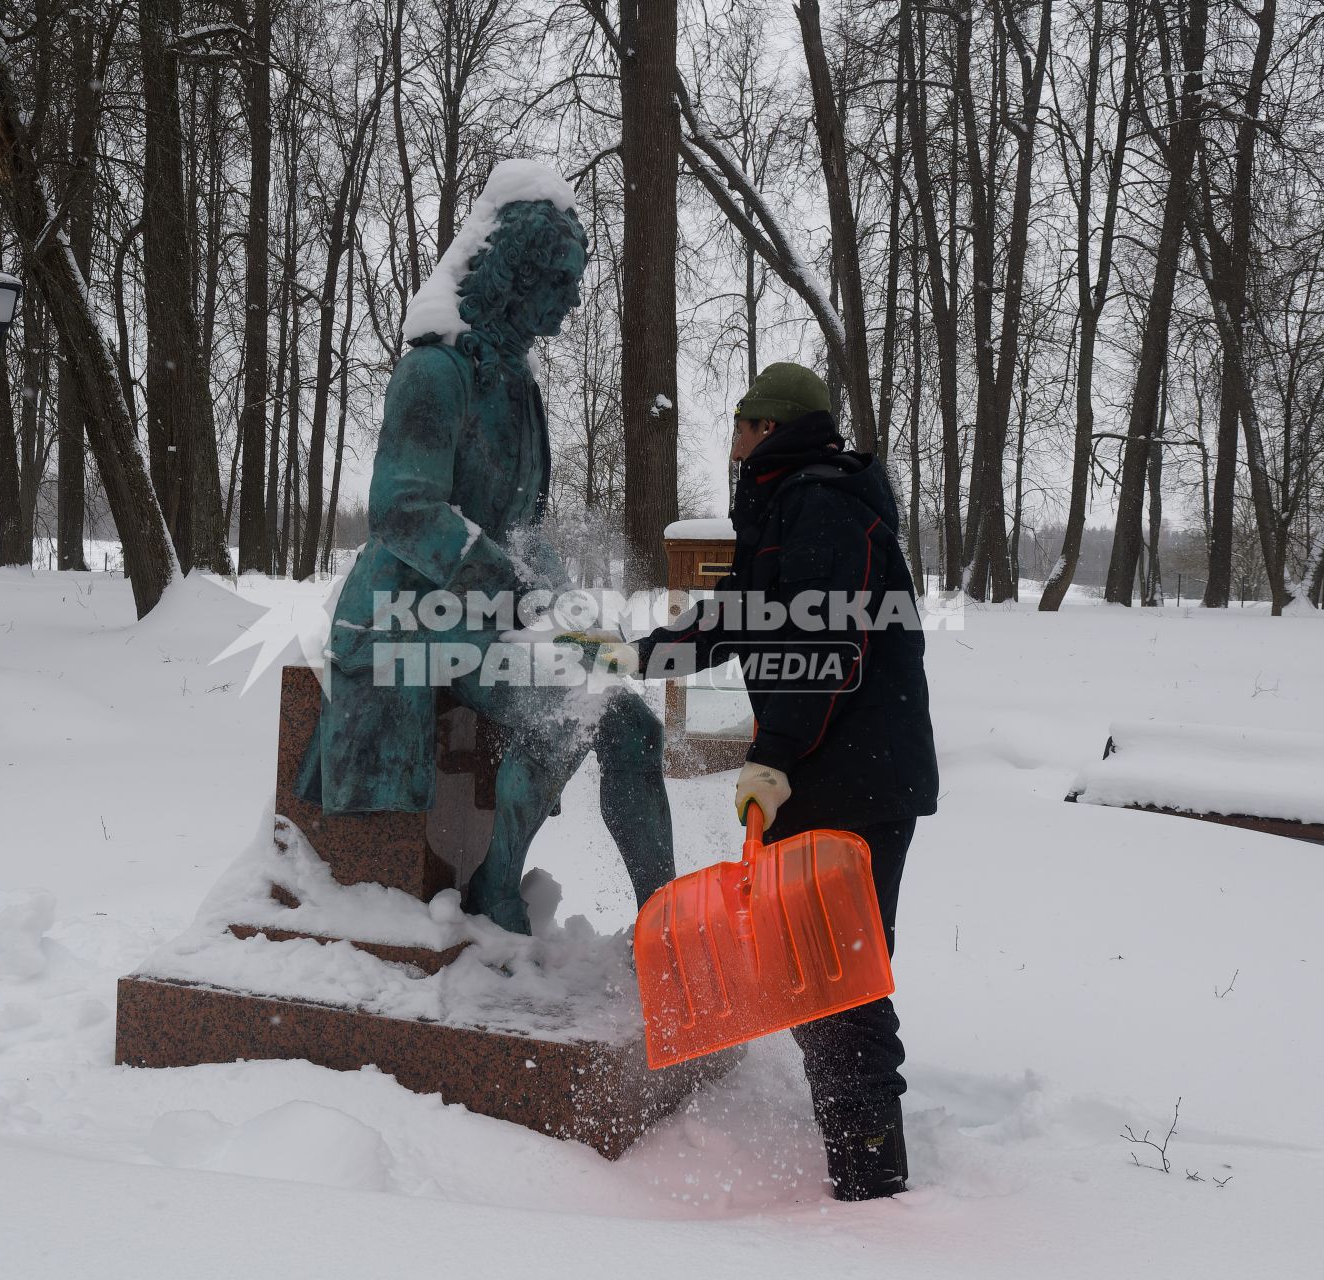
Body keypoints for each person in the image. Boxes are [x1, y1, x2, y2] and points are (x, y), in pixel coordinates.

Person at [297, 165, 674, 935]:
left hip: (487, 610)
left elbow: (524, 527)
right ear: (516, 276)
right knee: (568, 704)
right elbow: (401, 510)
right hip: (411, 609)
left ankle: (668, 924)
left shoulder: (518, 386)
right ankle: (498, 898)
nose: (572, 300)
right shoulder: (434, 372)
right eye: (561, 282)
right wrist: (510, 584)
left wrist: (563, 600)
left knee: (629, 715)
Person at [633, 361, 938, 1201]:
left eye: (739, 421)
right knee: (818, 972)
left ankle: (870, 1176)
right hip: (832, 769)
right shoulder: (788, 498)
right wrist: (644, 653)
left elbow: (826, 645)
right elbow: (747, 611)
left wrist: (771, 753)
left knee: (840, 973)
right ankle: (855, 1145)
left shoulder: (823, 502)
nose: (729, 436)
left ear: (768, 427)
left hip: (855, 776)